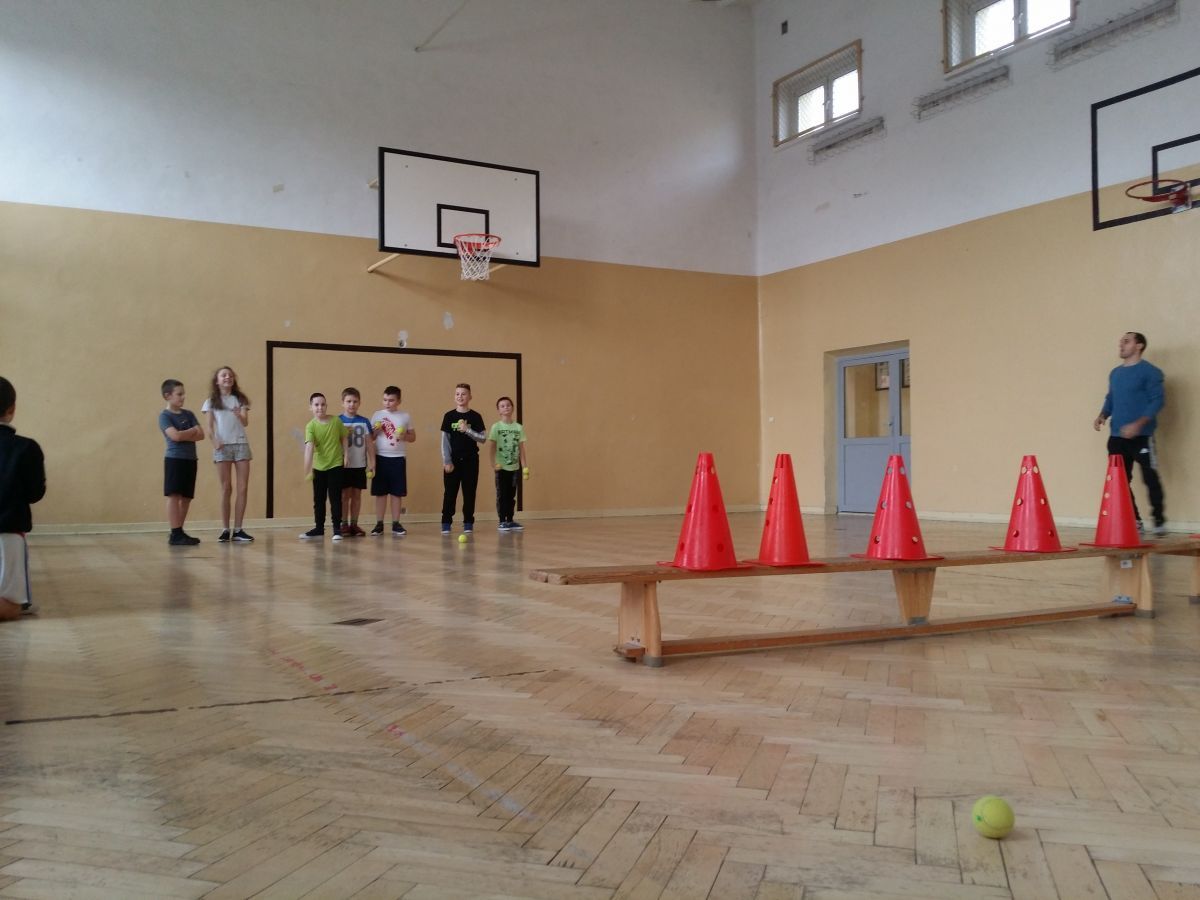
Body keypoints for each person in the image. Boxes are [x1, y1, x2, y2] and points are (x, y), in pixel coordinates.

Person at [1093, 331, 1166, 535]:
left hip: (1142, 437)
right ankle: (1135, 520)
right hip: (1117, 437)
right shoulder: (1115, 373)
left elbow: (1157, 401)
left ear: (1139, 346)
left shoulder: (1150, 372)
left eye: (1126, 341)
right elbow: (1111, 398)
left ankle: (1159, 521)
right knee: (1120, 481)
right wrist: (1103, 415)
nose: (1121, 344)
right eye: (1121, 342)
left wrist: (1138, 424)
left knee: (1150, 478)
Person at [0, 377, 46, 620]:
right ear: (11, 409)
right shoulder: (26, 448)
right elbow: (34, 493)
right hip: (7, 532)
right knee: (10, 607)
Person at [202, 366, 254, 542]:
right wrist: (214, 442)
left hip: (241, 444)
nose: (227, 377)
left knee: (243, 488)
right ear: (217, 381)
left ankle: (238, 529)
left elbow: (245, 423)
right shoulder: (211, 401)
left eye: (230, 375)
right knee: (226, 488)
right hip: (222, 446)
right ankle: (225, 529)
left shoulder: (240, 399)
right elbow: (209, 427)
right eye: (224, 375)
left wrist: (240, 415)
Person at [159, 379, 205, 546]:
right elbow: (175, 436)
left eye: (183, 394)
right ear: (168, 396)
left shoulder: (189, 414)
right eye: (179, 394)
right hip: (174, 459)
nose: (183, 397)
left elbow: (201, 435)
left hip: (190, 459)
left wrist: (185, 433)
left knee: (186, 497)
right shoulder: (165, 416)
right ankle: (175, 532)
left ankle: (179, 531)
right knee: (174, 495)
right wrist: (191, 431)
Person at [440, 383, 486, 536]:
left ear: (470, 396)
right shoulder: (449, 416)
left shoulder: (476, 416)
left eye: (463, 394)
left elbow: (483, 438)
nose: (460, 396)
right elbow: (445, 441)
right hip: (453, 461)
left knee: (469, 493)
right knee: (450, 493)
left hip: (470, 461)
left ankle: (468, 522)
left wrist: (468, 430)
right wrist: (447, 461)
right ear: (454, 397)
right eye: (457, 394)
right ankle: (446, 522)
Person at [301, 392, 348, 541]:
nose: (320, 407)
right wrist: (307, 468)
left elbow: (344, 437)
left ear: (326, 406)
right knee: (319, 499)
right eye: (316, 405)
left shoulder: (336, 421)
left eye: (322, 404)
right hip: (319, 468)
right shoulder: (310, 426)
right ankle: (319, 528)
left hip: (335, 465)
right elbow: (309, 448)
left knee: (335, 498)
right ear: (311, 407)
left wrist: (346, 455)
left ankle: (337, 529)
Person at [369, 386, 415, 536]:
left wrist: (404, 436)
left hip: (398, 458)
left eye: (391, 400)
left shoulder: (405, 416)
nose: (387, 403)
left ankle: (396, 523)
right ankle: (379, 524)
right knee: (380, 493)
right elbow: (370, 438)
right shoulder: (377, 415)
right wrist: (376, 431)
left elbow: (413, 437)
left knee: (396, 493)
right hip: (380, 457)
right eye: (385, 400)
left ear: (398, 401)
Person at [486, 396, 529, 531]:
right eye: (502, 406)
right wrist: (493, 464)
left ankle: (510, 520)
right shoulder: (496, 427)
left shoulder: (518, 427)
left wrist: (524, 466)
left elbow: (521, 448)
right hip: (501, 468)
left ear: (512, 408)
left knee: (511, 495)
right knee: (502, 495)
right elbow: (492, 447)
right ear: (499, 410)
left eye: (508, 405)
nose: (506, 408)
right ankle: (502, 521)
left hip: (515, 468)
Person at [338, 387, 375, 537]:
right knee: (344, 496)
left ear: (359, 403)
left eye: (355, 401)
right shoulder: (338, 421)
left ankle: (354, 524)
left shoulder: (364, 421)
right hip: (343, 465)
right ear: (342, 403)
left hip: (360, 464)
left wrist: (373, 462)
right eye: (348, 401)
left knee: (357, 495)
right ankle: (343, 524)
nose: (352, 404)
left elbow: (369, 443)